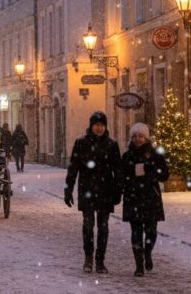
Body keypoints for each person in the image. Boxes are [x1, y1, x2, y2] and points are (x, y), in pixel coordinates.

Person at [64, 111, 122, 274]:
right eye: (96, 125)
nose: (99, 128)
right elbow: (73, 168)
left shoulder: (111, 145)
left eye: (102, 125)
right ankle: (88, 258)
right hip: (87, 189)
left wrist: (118, 190)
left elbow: (118, 170)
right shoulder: (81, 143)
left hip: (105, 191)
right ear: (91, 126)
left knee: (103, 227)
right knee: (88, 226)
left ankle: (100, 260)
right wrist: (68, 189)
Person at [121, 123, 169, 277]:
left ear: (146, 137)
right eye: (135, 136)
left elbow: (164, 175)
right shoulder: (127, 156)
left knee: (151, 232)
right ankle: (139, 265)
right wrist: (128, 178)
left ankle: (147, 252)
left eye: (141, 136)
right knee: (136, 233)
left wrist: (150, 170)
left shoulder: (155, 155)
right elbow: (121, 177)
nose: (138, 139)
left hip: (150, 198)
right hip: (133, 198)